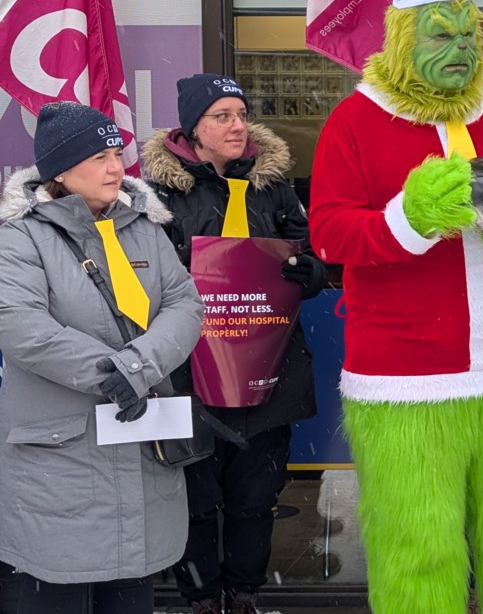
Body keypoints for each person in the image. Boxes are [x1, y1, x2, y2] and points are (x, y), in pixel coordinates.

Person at [308, 0, 483, 614]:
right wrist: (413, 216)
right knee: (419, 553)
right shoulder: (354, 122)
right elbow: (330, 234)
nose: (460, 51)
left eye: (467, 36)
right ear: (400, 37)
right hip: (405, 378)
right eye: (440, 36)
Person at [0, 102, 203, 614]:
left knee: (130, 591)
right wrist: (110, 374)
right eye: (99, 157)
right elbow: (21, 326)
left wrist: (136, 368)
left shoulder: (143, 228)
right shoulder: (23, 237)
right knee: (56, 593)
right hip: (60, 460)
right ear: (61, 171)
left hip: (140, 453)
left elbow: (184, 304)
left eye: (117, 155)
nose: (115, 168)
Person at [141, 74, 324, 614]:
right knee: (195, 502)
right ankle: (201, 599)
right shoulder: (157, 195)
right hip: (190, 375)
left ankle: (244, 596)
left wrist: (308, 273)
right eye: (222, 116)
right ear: (193, 128)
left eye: (241, 114)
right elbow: (137, 276)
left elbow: (312, 258)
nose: (237, 125)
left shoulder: (273, 187)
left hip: (265, 371)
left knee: (255, 500)